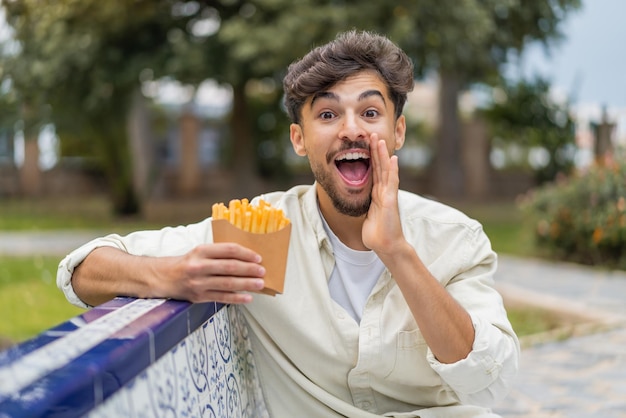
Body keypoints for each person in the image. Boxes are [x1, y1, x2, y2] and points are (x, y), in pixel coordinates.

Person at [58, 30, 519, 417]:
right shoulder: (257, 229)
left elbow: (488, 381)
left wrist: (397, 252)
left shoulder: (455, 238)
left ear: (397, 131)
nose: (351, 129)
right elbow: (82, 271)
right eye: (327, 114)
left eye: (371, 112)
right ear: (299, 139)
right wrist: (172, 274)